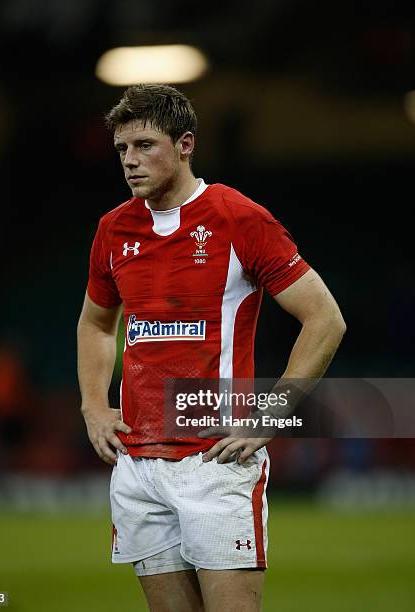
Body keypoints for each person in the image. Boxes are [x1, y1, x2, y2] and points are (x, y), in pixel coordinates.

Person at [77, 84, 346, 612]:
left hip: (214, 459)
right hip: (137, 465)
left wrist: (272, 414)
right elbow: (95, 324)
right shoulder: (113, 229)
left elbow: (325, 319)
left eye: (144, 145)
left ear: (185, 144)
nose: (130, 161)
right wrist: (92, 405)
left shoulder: (238, 217)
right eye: (122, 150)